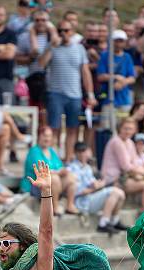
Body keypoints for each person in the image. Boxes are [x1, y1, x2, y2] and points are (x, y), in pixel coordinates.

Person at [39, 20, 96, 163]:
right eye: (60, 31)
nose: (63, 33)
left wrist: (89, 93)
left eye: (66, 30)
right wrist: (51, 46)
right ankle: (53, 157)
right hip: (55, 92)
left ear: (72, 31)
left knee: (73, 128)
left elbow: (85, 72)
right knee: (54, 127)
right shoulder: (52, 47)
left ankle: (69, 158)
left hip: (75, 94)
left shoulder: (79, 49)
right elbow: (41, 64)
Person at [100, 117, 144, 212]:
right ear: (120, 128)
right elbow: (126, 167)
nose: (128, 131)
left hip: (124, 177)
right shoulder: (117, 142)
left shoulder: (130, 142)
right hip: (113, 179)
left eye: (130, 129)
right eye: (125, 128)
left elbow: (135, 163)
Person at [68, 142, 127, 233]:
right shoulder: (72, 168)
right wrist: (95, 188)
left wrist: (98, 184)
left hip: (90, 198)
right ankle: (103, 223)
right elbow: (77, 191)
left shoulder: (87, 167)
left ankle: (114, 220)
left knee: (121, 193)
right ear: (76, 153)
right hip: (82, 203)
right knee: (115, 192)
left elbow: (92, 183)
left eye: (84, 151)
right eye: (80, 151)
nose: (83, 154)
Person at [21, 126, 74, 215]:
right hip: (35, 185)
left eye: (49, 136)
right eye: (45, 136)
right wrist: (58, 172)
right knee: (53, 178)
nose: (47, 138)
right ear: (39, 136)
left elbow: (60, 166)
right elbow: (41, 172)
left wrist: (63, 171)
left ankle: (70, 205)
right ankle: (54, 208)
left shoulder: (51, 151)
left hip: (53, 185)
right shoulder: (34, 151)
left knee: (70, 177)